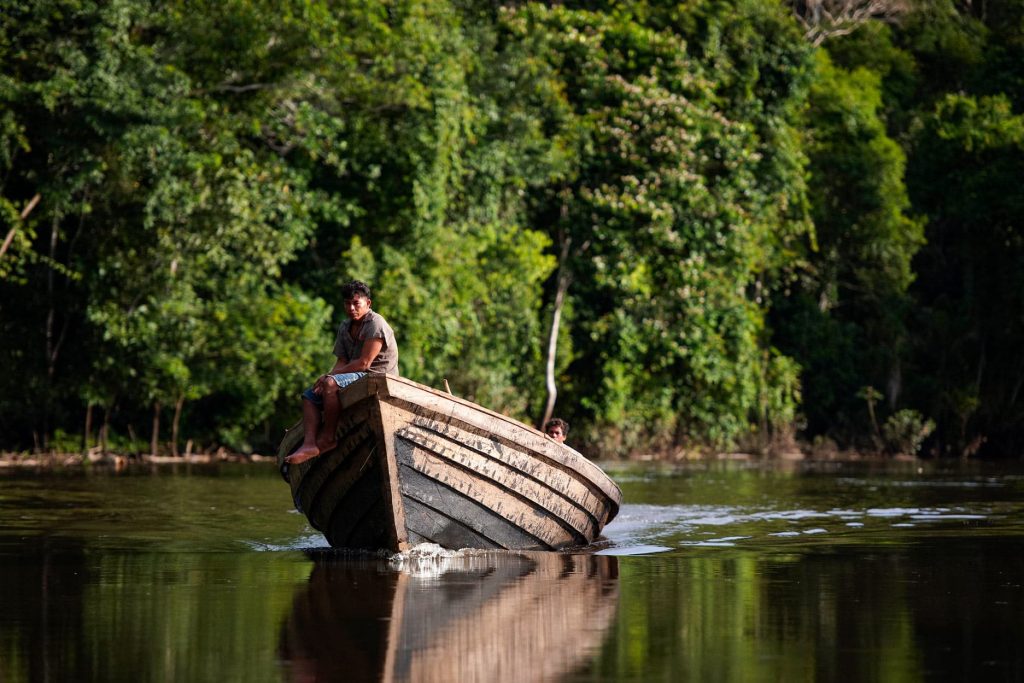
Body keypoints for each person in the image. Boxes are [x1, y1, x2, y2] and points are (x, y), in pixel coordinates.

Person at [285, 280, 399, 465]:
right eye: (348, 303)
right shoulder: (345, 327)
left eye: (356, 303)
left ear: (368, 303)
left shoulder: (376, 323)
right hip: (355, 375)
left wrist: (330, 379)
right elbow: (342, 362)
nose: (352, 308)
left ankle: (328, 438)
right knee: (310, 395)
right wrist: (325, 377)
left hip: (376, 376)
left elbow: (364, 363)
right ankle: (309, 443)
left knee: (331, 384)